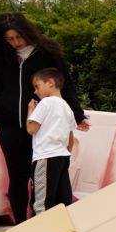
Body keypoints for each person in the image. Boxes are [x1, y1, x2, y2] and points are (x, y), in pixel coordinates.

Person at [0, 13, 88, 223]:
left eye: (18, 37)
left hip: (41, 129)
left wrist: (77, 115)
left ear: (27, 32)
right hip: (10, 127)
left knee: (46, 180)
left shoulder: (47, 54)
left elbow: (66, 86)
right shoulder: (1, 57)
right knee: (17, 178)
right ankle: (20, 224)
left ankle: (51, 224)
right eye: (9, 39)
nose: (15, 43)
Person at [25, 68, 77, 216]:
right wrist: (64, 153)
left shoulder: (45, 103)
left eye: (37, 86)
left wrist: (30, 110)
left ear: (50, 83)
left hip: (45, 156)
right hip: (62, 157)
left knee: (41, 204)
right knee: (63, 202)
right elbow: (70, 139)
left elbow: (31, 128)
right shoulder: (67, 107)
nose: (35, 91)